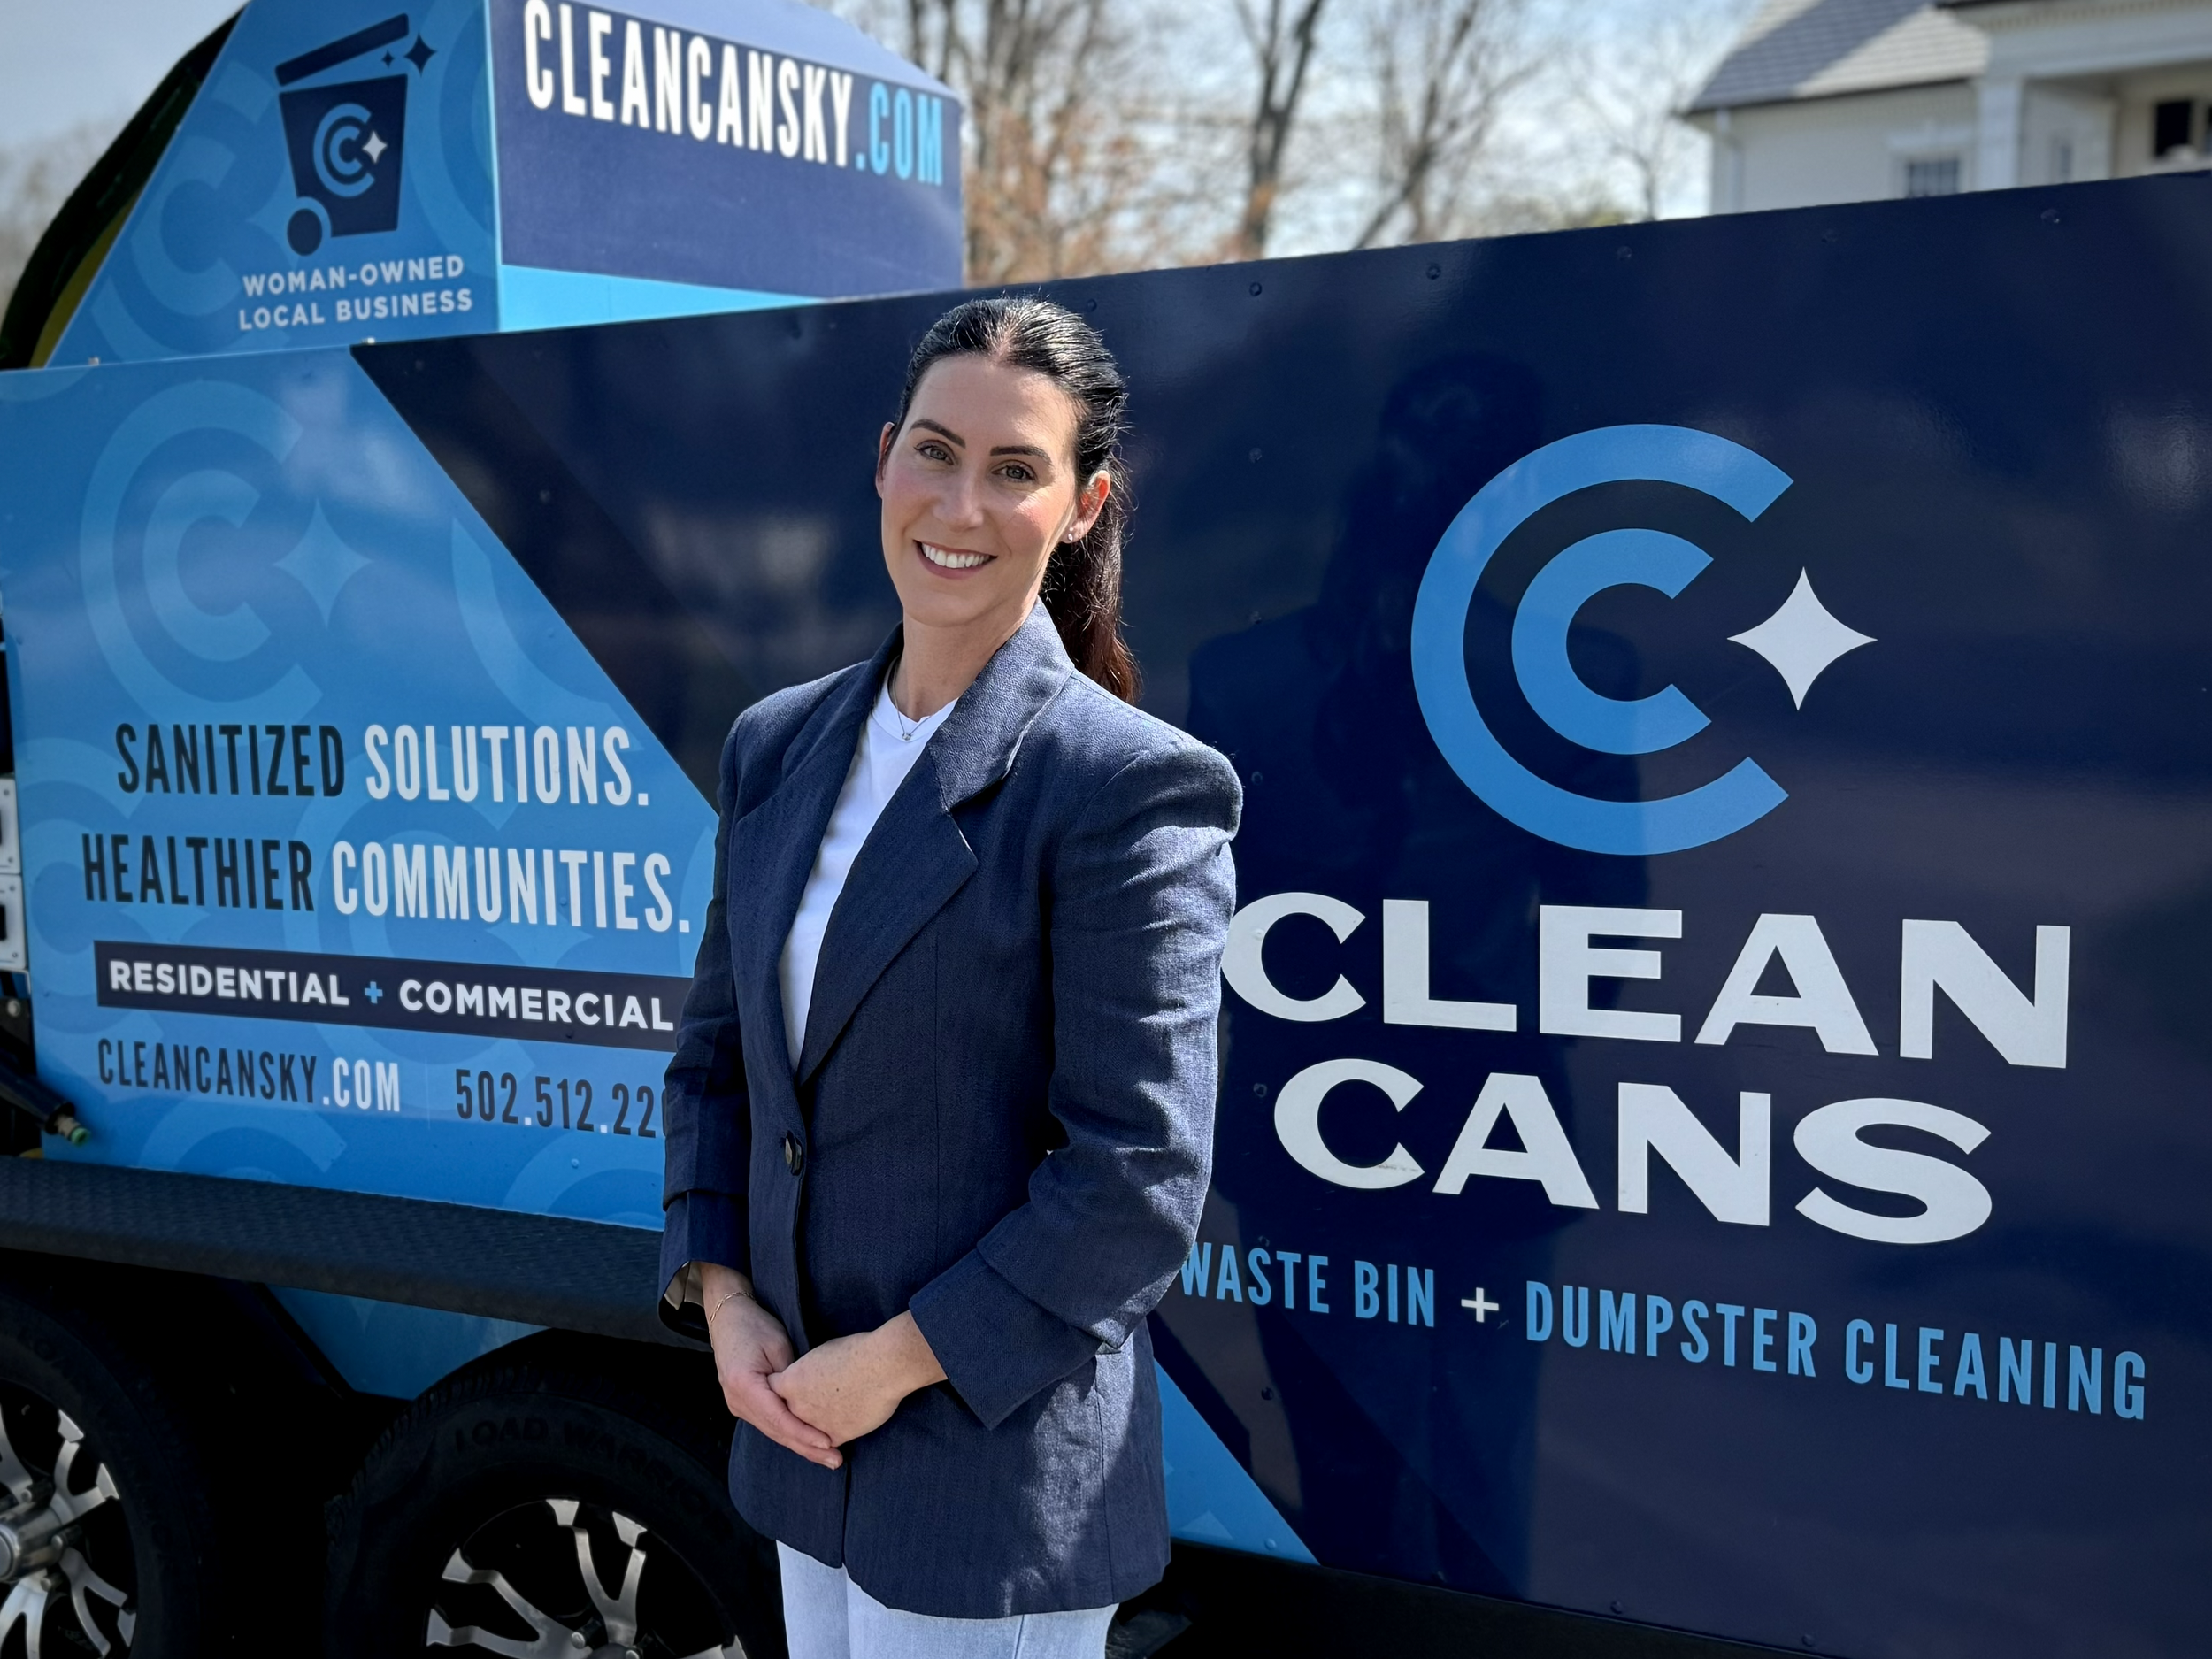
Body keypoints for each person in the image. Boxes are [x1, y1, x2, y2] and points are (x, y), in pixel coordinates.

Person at [657, 295, 1242, 1659]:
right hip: (800, 1434)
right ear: (881, 460)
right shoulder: (775, 744)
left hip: (992, 1482)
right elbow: (717, 1058)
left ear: (1086, 505)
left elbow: (1136, 1179)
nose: (960, 503)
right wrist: (725, 1293)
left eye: (1016, 468)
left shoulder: (1124, 783)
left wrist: (888, 1366)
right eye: (935, 449)